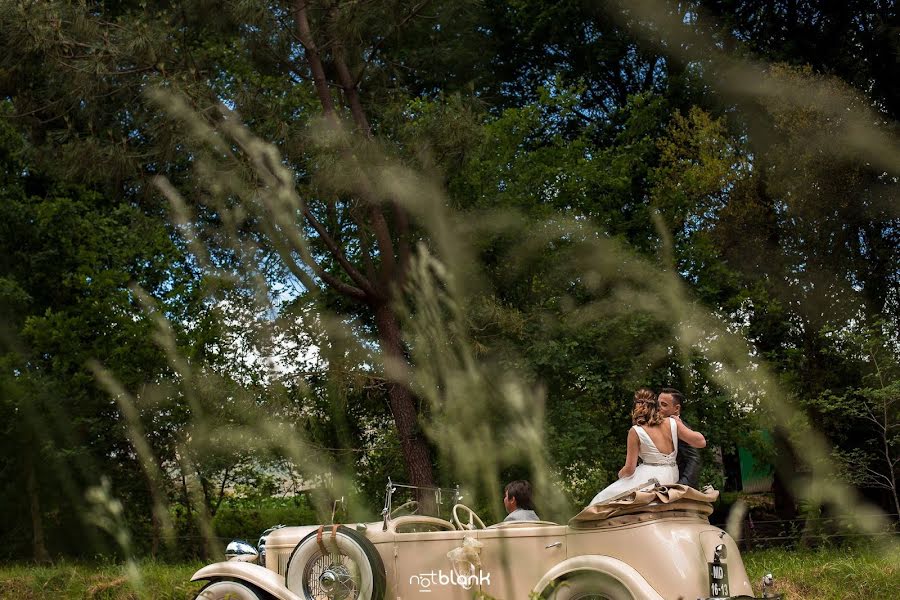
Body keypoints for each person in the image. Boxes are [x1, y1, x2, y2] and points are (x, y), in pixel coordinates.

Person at [588, 388, 706, 506]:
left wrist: (620, 475)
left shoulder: (635, 431)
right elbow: (701, 442)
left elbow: (629, 470)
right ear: (655, 407)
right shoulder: (672, 423)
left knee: (601, 499)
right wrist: (679, 424)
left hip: (652, 479)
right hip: (671, 476)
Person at [658, 387, 702, 489]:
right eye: (657, 404)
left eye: (664, 405)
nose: (658, 408)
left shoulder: (679, 427)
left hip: (676, 484)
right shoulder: (658, 425)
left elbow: (693, 458)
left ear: (676, 409)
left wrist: (682, 485)